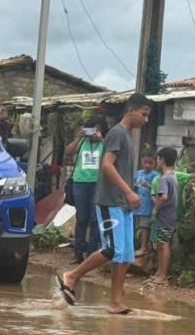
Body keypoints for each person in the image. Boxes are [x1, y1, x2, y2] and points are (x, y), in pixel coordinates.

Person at [55, 93, 153, 315]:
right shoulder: (117, 134)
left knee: (125, 254)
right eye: (144, 115)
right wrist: (128, 192)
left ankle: (116, 301)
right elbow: (107, 166)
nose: (145, 120)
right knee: (111, 248)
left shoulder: (128, 136)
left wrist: (131, 191)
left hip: (124, 203)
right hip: (111, 201)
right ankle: (72, 276)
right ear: (131, 111)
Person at [62, 117, 106, 264]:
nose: (94, 133)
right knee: (81, 219)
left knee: (94, 219)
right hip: (80, 183)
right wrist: (78, 138)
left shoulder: (103, 145)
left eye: (97, 129)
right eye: (92, 129)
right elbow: (68, 152)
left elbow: (111, 157)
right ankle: (78, 252)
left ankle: (91, 253)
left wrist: (102, 139)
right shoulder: (82, 142)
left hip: (97, 184)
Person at [147, 147, 180, 286]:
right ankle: (160, 273)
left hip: (164, 217)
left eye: (158, 158)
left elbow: (164, 197)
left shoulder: (164, 179)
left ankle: (163, 275)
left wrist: (156, 207)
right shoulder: (173, 177)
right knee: (161, 244)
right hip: (170, 216)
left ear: (162, 160)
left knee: (163, 245)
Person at [132, 153, 158, 257]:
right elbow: (133, 185)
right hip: (136, 205)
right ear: (141, 162)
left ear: (154, 163)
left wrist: (148, 185)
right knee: (135, 226)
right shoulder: (138, 173)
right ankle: (134, 247)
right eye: (145, 162)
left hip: (147, 206)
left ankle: (144, 248)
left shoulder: (155, 175)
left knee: (145, 227)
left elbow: (157, 189)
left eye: (150, 163)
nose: (147, 165)